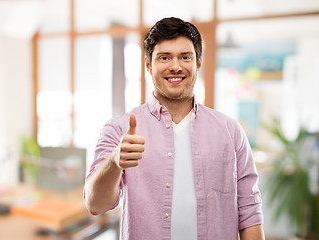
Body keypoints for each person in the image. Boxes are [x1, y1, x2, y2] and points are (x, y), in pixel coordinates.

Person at [84, 17, 264, 240]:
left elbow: (250, 212)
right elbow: (95, 204)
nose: (175, 66)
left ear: (198, 63)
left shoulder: (231, 131)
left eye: (185, 57)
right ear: (149, 65)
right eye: (164, 57)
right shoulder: (118, 129)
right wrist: (114, 161)